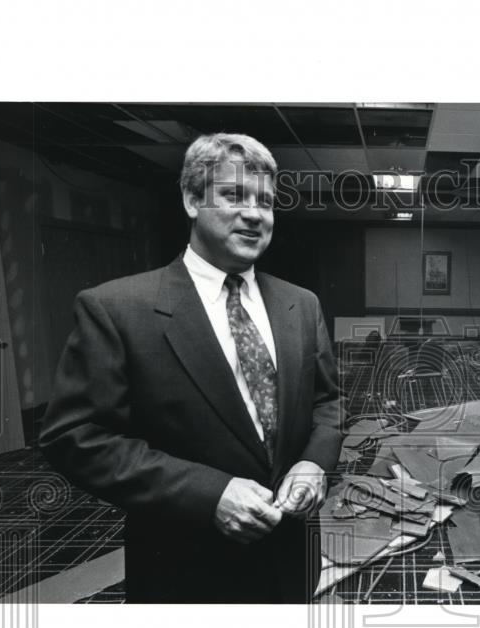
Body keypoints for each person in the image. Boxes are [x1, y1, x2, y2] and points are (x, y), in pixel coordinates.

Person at [39, 133, 342, 603]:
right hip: (187, 566)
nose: (254, 214)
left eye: (266, 201)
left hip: (291, 554)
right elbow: (76, 437)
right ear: (191, 199)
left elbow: (327, 403)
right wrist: (209, 494)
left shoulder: (300, 305)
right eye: (234, 195)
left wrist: (313, 463)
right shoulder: (117, 308)